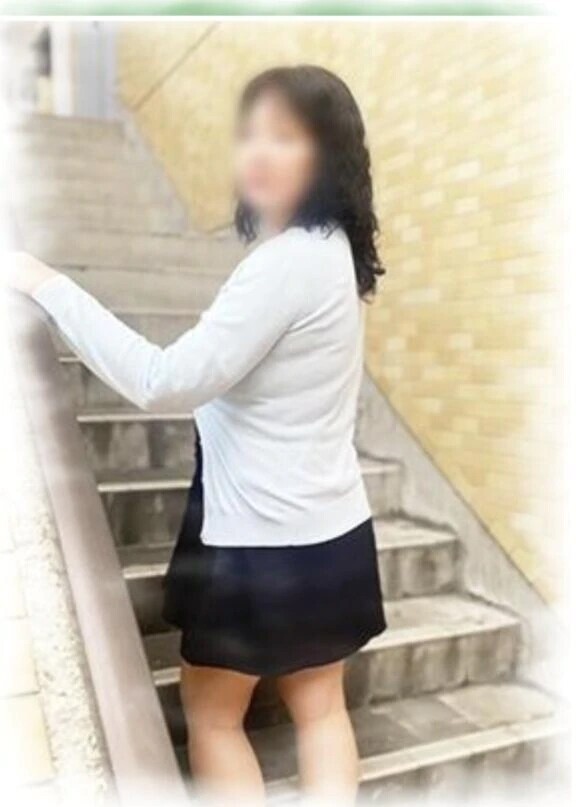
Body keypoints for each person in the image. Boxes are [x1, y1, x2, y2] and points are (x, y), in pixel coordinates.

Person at [7, 65, 386, 806]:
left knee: (213, 715)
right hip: (333, 529)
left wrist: (48, 285)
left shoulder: (283, 265)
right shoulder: (335, 251)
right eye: (250, 134)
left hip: (258, 540)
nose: (257, 152)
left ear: (328, 152)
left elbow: (162, 381)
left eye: (285, 136)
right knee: (320, 708)